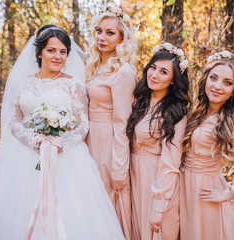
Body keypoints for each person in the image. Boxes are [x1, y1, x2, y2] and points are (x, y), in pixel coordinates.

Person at [0, 25, 125, 240]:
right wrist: (32, 139)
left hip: (66, 157)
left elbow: (83, 124)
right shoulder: (22, 82)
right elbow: (13, 120)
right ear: (40, 52)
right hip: (25, 156)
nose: (58, 56)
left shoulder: (74, 85)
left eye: (63, 51)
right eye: (51, 50)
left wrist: (62, 144)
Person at [179, 51, 234, 240]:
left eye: (227, 83)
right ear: (205, 80)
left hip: (206, 195)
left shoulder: (233, 124)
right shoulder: (196, 114)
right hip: (183, 189)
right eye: (214, 78)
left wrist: (229, 192)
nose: (218, 86)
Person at [126, 43, 191, 240]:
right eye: (153, 67)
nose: (154, 75)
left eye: (163, 72)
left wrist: (159, 205)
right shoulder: (139, 103)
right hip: (135, 178)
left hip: (158, 181)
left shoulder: (175, 113)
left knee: (156, 232)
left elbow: (171, 163)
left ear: (173, 80)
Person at [85, 5, 137, 239]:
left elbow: (122, 123)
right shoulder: (94, 67)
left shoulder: (123, 73)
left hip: (107, 144)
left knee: (108, 199)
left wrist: (119, 168)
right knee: (89, 199)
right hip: (87, 141)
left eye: (110, 32)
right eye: (99, 31)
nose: (102, 37)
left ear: (122, 38)